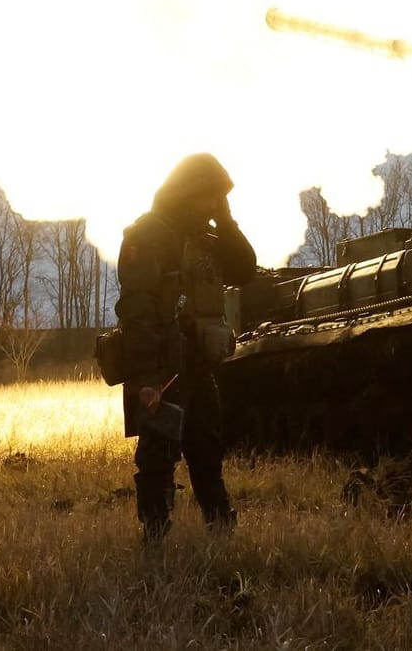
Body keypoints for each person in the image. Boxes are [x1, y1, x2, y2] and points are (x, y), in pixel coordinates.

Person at [114, 152, 258, 542]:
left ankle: (220, 528)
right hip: (161, 365)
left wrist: (226, 220)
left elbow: (245, 268)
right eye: (208, 196)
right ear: (186, 192)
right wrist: (146, 377)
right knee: (158, 456)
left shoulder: (205, 238)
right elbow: (137, 309)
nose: (212, 204)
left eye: (218, 198)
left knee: (207, 449)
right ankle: (155, 536)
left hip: (197, 364)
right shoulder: (149, 234)